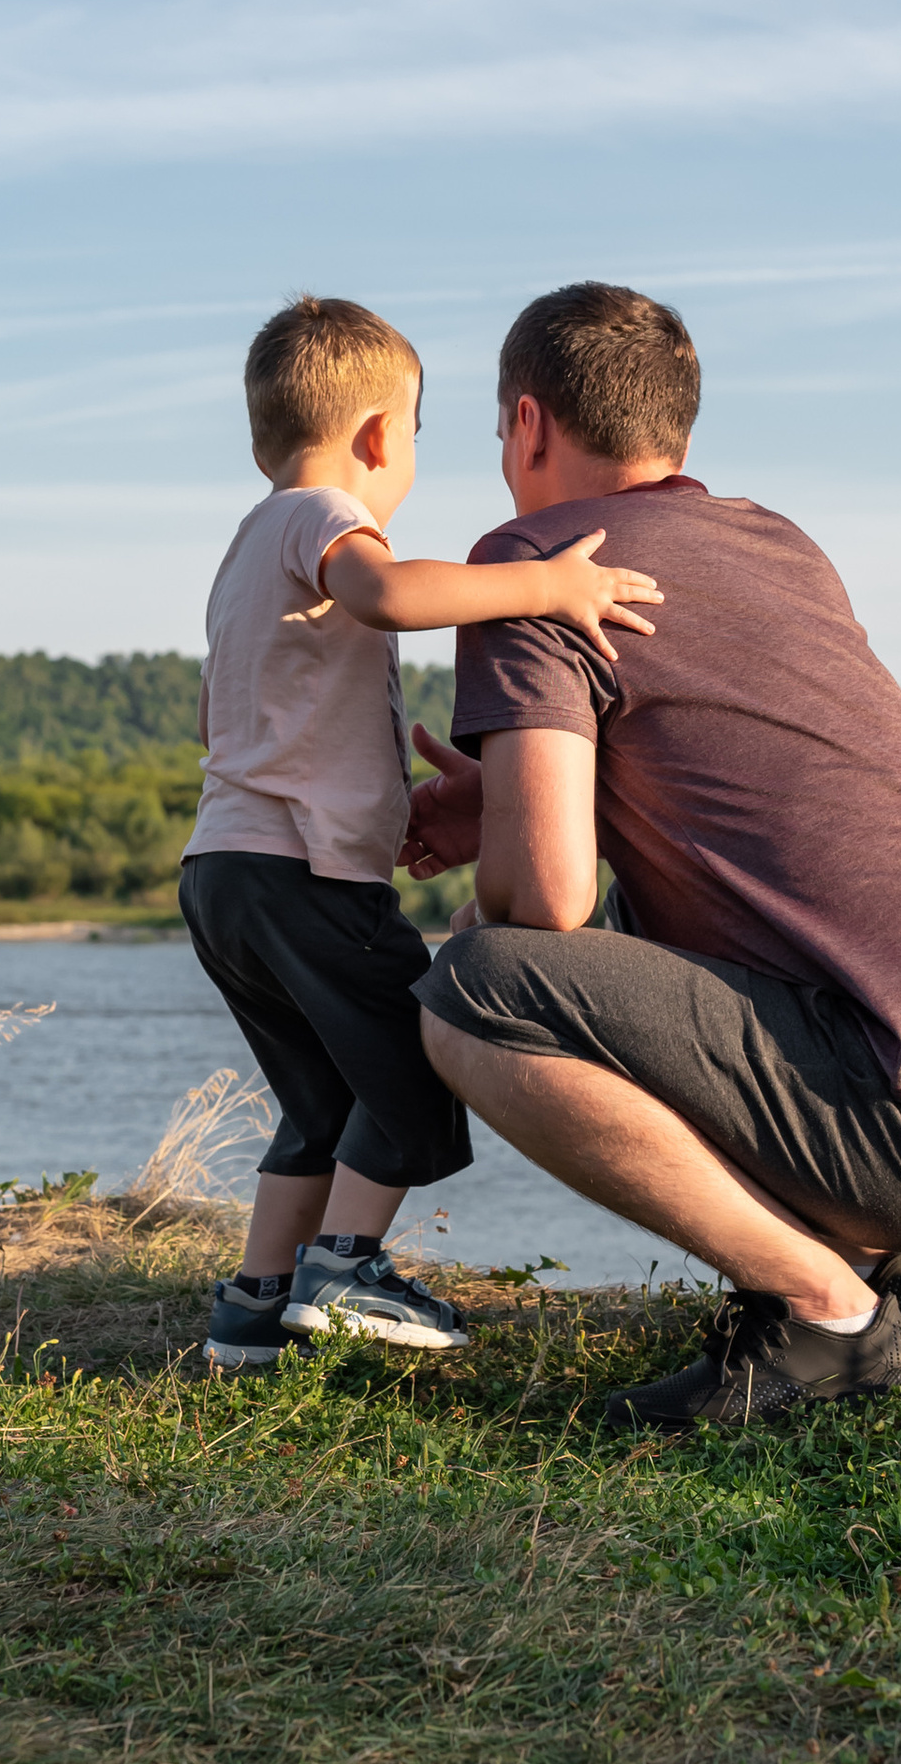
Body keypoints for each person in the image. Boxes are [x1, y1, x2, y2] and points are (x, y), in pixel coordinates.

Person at [403, 280, 901, 1429]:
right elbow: (769, 799)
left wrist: (516, 842)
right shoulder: (773, 540)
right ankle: (871, 1269)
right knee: (634, 932)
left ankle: (828, 1314)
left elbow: (545, 897)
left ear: (527, 424)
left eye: (497, 434)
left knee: (475, 986)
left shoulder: (530, 563)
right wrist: (526, 793)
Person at [182, 292, 663, 1375]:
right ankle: (344, 1267)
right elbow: (389, 594)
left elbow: (252, 723)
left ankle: (253, 1310)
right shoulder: (319, 516)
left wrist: (397, 808)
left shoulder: (244, 550)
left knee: (320, 1103)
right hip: (303, 879)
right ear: (379, 437)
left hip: (226, 876)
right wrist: (543, 584)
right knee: (412, 1069)